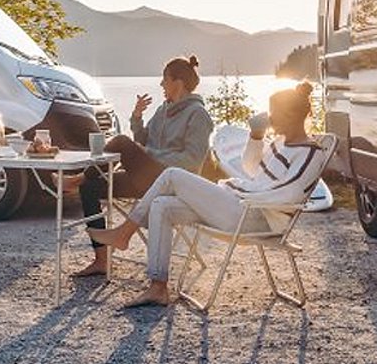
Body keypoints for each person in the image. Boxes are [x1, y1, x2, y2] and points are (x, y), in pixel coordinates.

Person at [88, 81, 321, 307]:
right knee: (162, 205)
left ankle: (124, 233)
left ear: (290, 115)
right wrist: (256, 137)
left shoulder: (310, 152)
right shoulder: (280, 142)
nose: (270, 117)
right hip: (238, 206)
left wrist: (243, 194)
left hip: (257, 217)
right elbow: (251, 169)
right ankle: (158, 286)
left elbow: (289, 194)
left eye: (274, 112)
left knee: (172, 175)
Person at [69, 55, 214, 277]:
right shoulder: (162, 111)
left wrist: (150, 154)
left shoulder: (198, 115)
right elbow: (143, 141)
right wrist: (137, 117)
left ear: (178, 82)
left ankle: (78, 176)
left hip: (174, 184)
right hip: (147, 179)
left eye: (164, 80)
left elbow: (192, 161)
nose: (161, 85)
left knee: (120, 142)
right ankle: (101, 260)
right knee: (91, 186)